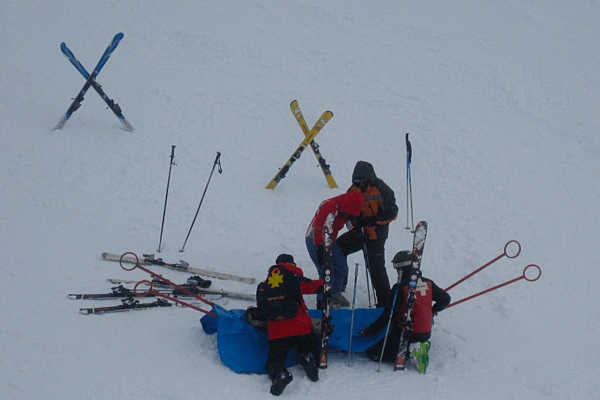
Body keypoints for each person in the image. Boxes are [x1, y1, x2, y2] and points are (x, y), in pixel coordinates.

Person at [358, 250, 451, 373]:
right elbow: (446, 299)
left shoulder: (399, 288)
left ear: (401, 268)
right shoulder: (428, 282)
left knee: (373, 352)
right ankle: (420, 345)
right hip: (426, 332)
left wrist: (371, 330)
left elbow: (388, 316)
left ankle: (410, 350)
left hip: (406, 333)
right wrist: (433, 310)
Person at [257, 254, 323, 396]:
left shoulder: (263, 286)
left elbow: (261, 308)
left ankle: (280, 374)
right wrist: (328, 281)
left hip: (277, 332)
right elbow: (316, 286)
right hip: (301, 327)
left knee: (274, 362)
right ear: (292, 265)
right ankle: (307, 356)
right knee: (309, 345)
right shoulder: (295, 280)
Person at [336, 161, 399, 307]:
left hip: (376, 234)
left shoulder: (382, 189)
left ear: (369, 178)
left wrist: (372, 221)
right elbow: (346, 209)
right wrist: (354, 221)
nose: (360, 185)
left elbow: (392, 212)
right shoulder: (352, 190)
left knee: (376, 268)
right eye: (357, 182)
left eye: (363, 181)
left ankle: (384, 304)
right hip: (359, 232)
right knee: (337, 248)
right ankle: (338, 286)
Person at [305, 192, 364, 308]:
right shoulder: (330, 207)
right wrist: (319, 247)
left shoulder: (346, 206)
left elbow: (348, 223)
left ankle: (334, 293)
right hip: (315, 239)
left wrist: (357, 226)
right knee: (326, 272)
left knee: (341, 267)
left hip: (330, 239)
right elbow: (318, 227)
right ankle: (323, 302)